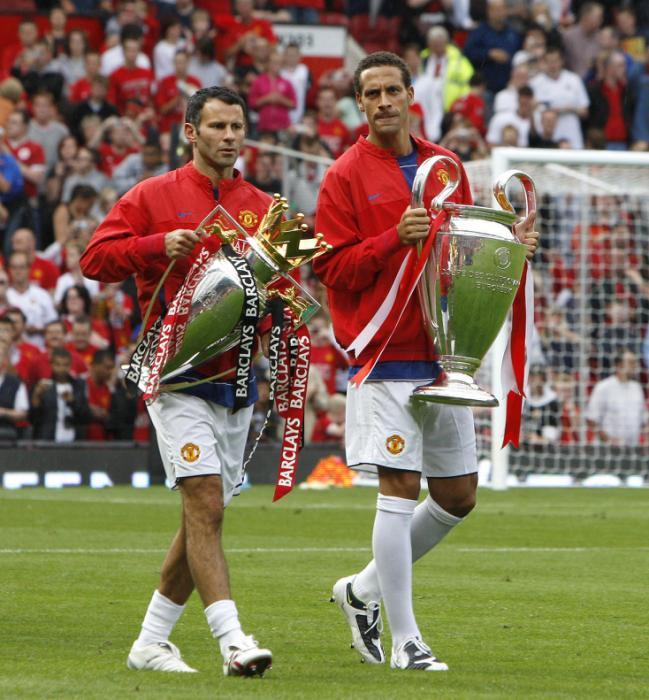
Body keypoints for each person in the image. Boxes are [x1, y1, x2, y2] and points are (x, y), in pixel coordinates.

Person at [312, 51, 539, 672]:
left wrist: (508, 246)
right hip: (383, 351)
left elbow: (462, 251)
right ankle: (407, 641)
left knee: (459, 496)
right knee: (398, 487)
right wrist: (393, 237)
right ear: (359, 103)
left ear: (412, 94)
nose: (383, 102)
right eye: (372, 93)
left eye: (392, 90)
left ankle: (361, 592)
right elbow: (330, 267)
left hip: (442, 351)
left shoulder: (447, 167)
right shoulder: (343, 175)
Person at [80, 86, 274, 677]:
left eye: (236, 125)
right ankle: (233, 641)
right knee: (206, 503)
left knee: (202, 517)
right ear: (191, 132)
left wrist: (278, 312)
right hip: (176, 376)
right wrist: (154, 245)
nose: (229, 136)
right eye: (216, 126)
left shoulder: (262, 206)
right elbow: (94, 260)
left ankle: (150, 642)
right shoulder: (152, 196)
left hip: (236, 378)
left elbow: (273, 290)